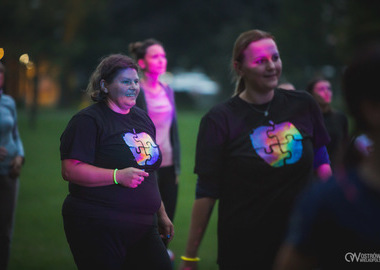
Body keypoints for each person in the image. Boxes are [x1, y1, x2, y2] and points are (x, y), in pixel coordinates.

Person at [179, 29, 332, 270]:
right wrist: (190, 257)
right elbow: (206, 191)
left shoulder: (303, 104)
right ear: (239, 67)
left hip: (302, 246)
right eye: (260, 61)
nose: (271, 66)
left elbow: (322, 162)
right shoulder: (220, 119)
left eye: (275, 57)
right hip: (245, 251)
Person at [60, 54, 174, 270]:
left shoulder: (142, 118)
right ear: (105, 85)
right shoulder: (88, 121)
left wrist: (161, 213)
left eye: (135, 81)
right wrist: (116, 175)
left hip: (143, 225)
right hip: (98, 224)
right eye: (125, 81)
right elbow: (70, 170)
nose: (133, 87)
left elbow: (149, 171)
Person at [274, 44, 380, 269]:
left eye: (329, 89)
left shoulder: (339, 119)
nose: (327, 94)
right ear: (370, 109)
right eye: (321, 89)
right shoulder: (328, 203)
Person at [129, 38, 180, 227]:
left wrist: (177, 166)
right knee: (148, 221)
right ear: (142, 63)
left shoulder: (167, 90)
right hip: (146, 165)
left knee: (169, 222)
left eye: (163, 56)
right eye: (155, 56)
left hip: (169, 164)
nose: (161, 60)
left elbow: (174, 132)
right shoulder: (135, 91)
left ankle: (165, 254)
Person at [0, 62, 25, 270]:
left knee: (5, 231)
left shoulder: (8, 102)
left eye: (1, 73)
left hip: (9, 172)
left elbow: (16, 135)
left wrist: (20, 156)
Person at [306, 77, 349, 171]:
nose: (326, 92)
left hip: (337, 171)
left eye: (329, 89)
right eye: (321, 89)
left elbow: (345, 145)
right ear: (311, 94)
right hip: (312, 173)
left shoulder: (340, 117)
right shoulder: (306, 119)